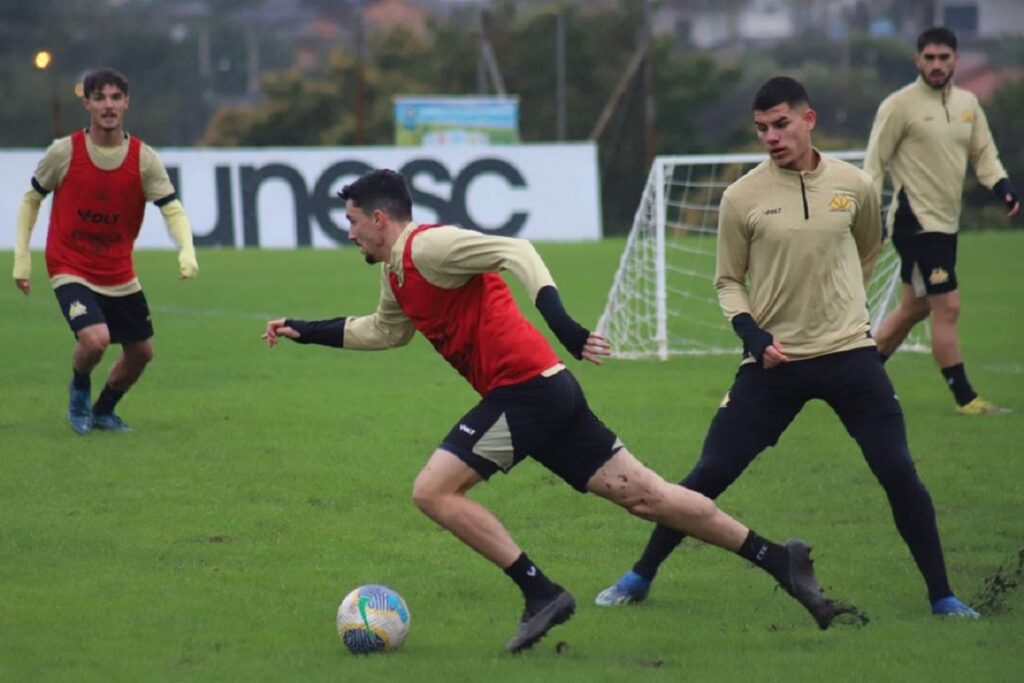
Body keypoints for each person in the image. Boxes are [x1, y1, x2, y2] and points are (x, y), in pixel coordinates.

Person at [263, 168, 838, 653]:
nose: (350, 232)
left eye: (352, 221)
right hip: (543, 393)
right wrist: (303, 330)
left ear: (379, 219)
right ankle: (777, 559)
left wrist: (562, 323)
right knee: (648, 496)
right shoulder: (397, 273)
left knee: (433, 491)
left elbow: (517, 249)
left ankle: (540, 592)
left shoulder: (427, 246)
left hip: (527, 392)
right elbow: (383, 332)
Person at [594, 77, 979, 619]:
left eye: (780, 124)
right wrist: (753, 333)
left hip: (851, 357)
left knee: (898, 471)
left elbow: (867, 250)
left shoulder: (854, 186)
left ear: (808, 119)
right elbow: (728, 280)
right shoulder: (741, 197)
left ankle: (943, 596)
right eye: (761, 129)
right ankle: (639, 575)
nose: (771, 137)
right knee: (710, 474)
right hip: (774, 363)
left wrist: (844, 312)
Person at [12, 67, 198, 434]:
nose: (108, 105)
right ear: (87, 104)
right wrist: (22, 257)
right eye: (100, 98)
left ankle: (103, 410)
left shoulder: (144, 159)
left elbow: (171, 208)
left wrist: (187, 250)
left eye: (115, 97)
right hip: (70, 264)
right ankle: (79, 388)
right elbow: (32, 197)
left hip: (117, 271)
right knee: (95, 341)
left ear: (127, 102)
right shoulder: (64, 152)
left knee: (142, 354)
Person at [865, 26, 1019, 415]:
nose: (936, 65)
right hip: (914, 222)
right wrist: (869, 219)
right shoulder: (899, 105)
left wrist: (1003, 188)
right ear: (918, 60)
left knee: (915, 308)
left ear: (956, 59)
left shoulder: (968, 103)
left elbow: (984, 154)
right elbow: (874, 163)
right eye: (929, 58)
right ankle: (965, 398)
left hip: (947, 225)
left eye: (943, 58)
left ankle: (861, 375)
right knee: (947, 306)